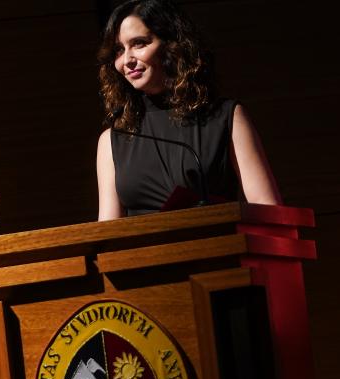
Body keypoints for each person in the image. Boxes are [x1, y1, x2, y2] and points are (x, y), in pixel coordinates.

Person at [95, 0, 282, 221]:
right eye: (119, 50)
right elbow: (107, 233)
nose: (127, 60)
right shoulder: (113, 140)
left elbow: (270, 212)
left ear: (172, 46)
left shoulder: (225, 117)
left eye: (139, 43)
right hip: (146, 255)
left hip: (218, 251)